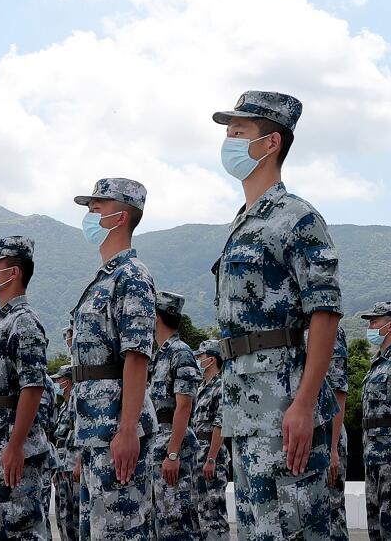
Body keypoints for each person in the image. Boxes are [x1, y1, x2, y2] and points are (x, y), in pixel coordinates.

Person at [211, 91, 341, 540]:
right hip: (244, 406)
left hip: (282, 403)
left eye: (239, 132)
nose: (228, 141)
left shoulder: (296, 218)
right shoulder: (242, 223)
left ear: (270, 143)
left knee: (293, 526)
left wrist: (303, 404)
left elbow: (325, 312)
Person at [69, 177, 158, 540]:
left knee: (120, 530)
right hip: (95, 431)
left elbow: (136, 356)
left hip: (115, 428)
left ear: (120, 217)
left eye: (96, 209)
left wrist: (127, 429)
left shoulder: (132, 276)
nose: (89, 216)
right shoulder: (104, 278)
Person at [0, 236, 53, 540]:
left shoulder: (24, 322)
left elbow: (33, 387)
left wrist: (16, 446)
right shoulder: (0, 323)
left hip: (13, 452)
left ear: (14, 272)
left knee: (23, 533)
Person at [148, 290, 200, 541]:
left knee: (177, 524)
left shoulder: (180, 352)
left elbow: (184, 406)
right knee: (160, 525)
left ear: (156, 316)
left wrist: (173, 453)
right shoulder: (159, 355)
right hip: (157, 445)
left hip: (172, 446)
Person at [359, 301, 391, 541]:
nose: (369, 327)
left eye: (374, 322)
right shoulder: (376, 363)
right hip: (372, 455)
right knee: (375, 527)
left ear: (390, 326)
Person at [192, 340, 229, 541]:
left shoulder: (220, 386)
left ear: (212, 359)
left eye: (201, 356)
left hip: (212, 455)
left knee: (214, 513)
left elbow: (220, 425)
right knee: (201, 512)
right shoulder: (202, 388)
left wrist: (212, 458)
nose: (198, 359)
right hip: (198, 454)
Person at [51, 363, 79, 541]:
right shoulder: (64, 406)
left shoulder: (76, 402)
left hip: (73, 465)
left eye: (59, 380)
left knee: (75, 515)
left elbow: (80, 433)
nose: (57, 383)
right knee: (63, 516)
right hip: (63, 466)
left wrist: (79, 463)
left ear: (67, 382)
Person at [326, 327, 350, 541]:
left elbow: (338, 391)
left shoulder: (328, 330)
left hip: (326, 436)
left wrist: (333, 448)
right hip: (303, 435)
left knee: (332, 513)